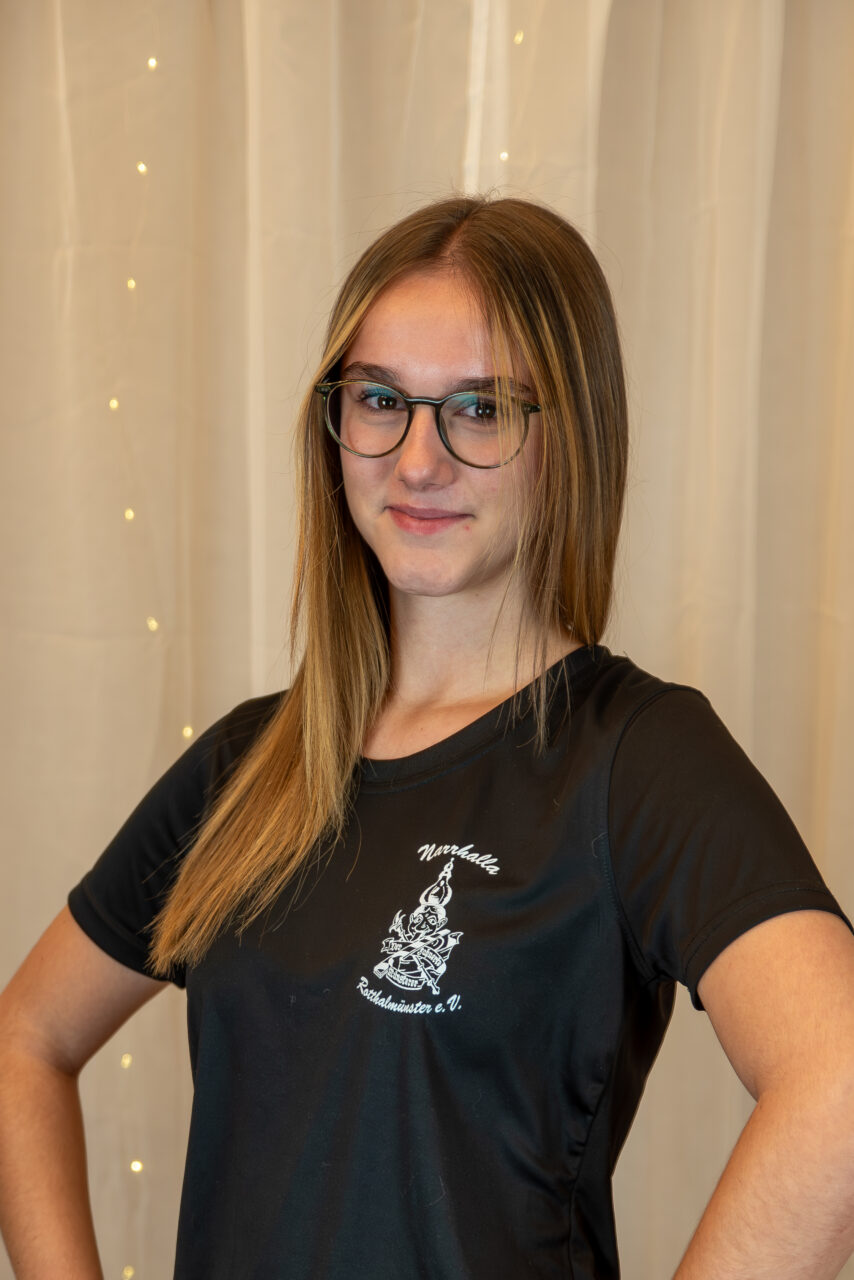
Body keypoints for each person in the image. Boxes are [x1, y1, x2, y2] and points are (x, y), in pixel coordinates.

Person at [1, 195, 853, 1280]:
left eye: (479, 409)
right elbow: (24, 1039)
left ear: (570, 438)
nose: (416, 460)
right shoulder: (247, 764)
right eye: (379, 400)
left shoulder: (632, 756)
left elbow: (838, 1076)